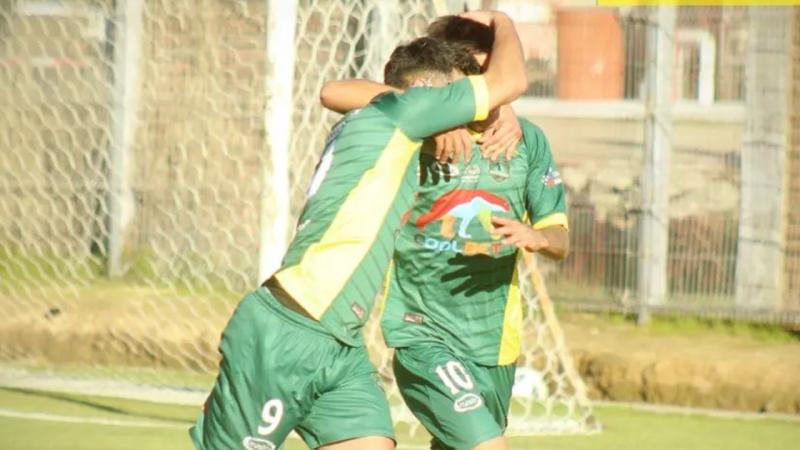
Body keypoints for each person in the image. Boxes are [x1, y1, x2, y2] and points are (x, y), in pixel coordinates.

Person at [190, 10, 528, 450]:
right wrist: (503, 20)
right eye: (462, 97)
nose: (471, 115)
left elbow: (342, 91)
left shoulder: (387, 115)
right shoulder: (404, 114)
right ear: (433, 94)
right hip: (292, 329)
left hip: (338, 341)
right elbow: (512, 80)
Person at [319, 14, 569, 450]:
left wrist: (540, 237)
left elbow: (559, 237)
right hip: (422, 333)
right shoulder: (417, 129)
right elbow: (337, 92)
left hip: (493, 345)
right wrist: (437, 114)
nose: (485, 81)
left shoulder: (526, 141)